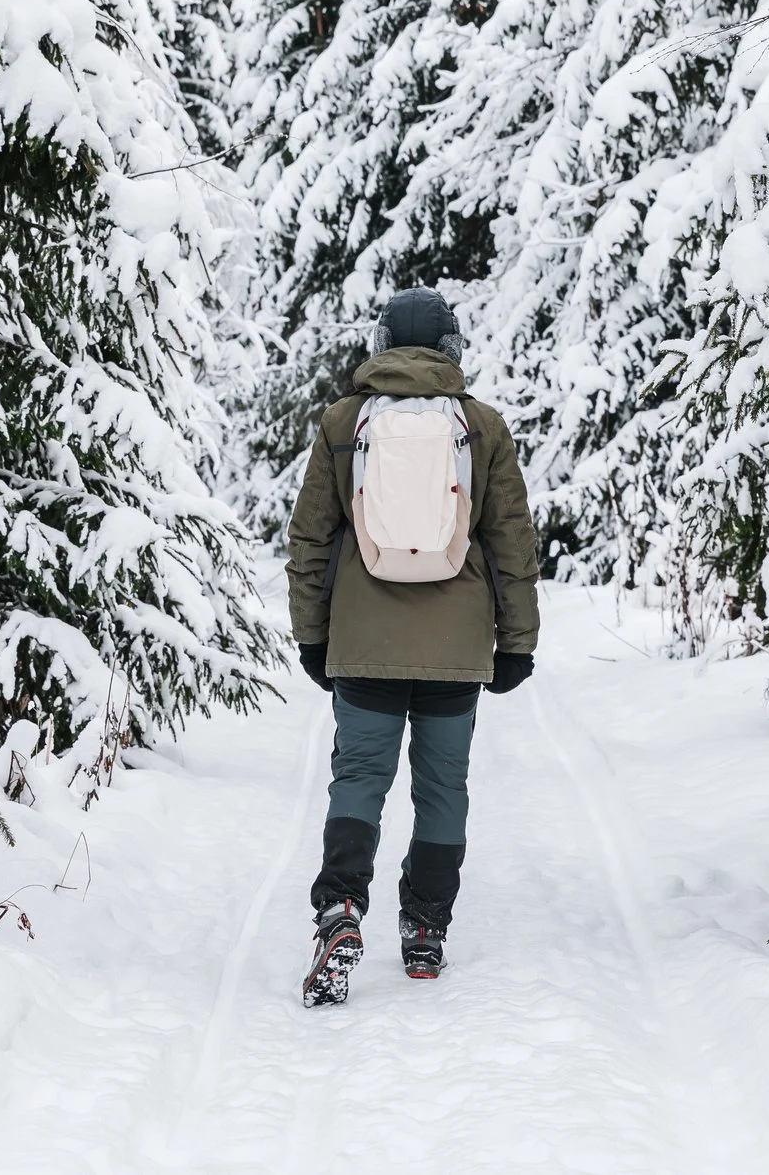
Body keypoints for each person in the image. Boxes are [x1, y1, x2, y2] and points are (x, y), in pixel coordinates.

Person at [285, 287, 540, 1007]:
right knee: (442, 788)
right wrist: (515, 641)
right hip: (456, 648)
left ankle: (339, 910)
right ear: (454, 348)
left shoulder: (343, 422)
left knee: (360, 778)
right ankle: (425, 928)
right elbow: (511, 542)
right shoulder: (483, 427)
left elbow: (309, 539)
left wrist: (313, 634)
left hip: (363, 643)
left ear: (380, 342)